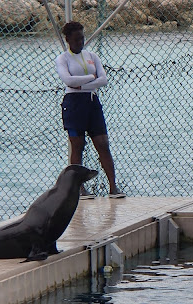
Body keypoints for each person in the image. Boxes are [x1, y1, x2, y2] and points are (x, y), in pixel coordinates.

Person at [56, 21, 123, 197]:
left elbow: (104, 80)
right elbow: (68, 81)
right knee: (78, 146)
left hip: (92, 102)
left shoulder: (92, 55)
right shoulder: (63, 59)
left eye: (82, 38)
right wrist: (91, 78)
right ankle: (79, 188)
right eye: (76, 39)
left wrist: (84, 83)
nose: (80, 42)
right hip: (74, 104)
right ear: (68, 39)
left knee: (102, 143)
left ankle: (113, 187)